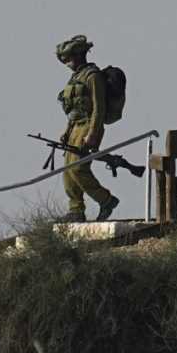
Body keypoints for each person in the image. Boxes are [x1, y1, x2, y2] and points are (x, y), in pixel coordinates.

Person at [54, 34, 120, 223]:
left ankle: (106, 200)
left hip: (89, 127)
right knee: (68, 170)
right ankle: (76, 209)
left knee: (78, 168)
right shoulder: (75, 78)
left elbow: (99, 108)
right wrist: (67, 132)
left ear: (80, 55)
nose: (67, 63)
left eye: (70, 59)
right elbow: (74, 110)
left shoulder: (92, 76)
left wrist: (93, 133)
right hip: (75, 127)